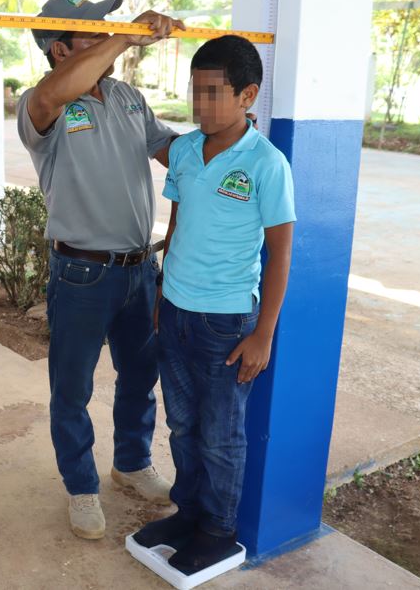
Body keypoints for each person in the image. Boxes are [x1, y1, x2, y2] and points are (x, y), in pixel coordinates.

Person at [16, 0, 184, 539]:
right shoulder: (43, 105)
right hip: (81, 274)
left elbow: (172, 152)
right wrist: (130, 36)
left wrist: (227, 136)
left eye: (107, 27)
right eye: (93, 31)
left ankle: (131, 465)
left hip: (140, 270)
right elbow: (54, 91)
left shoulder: (128, 97)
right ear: (61, 47)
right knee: (72, 388)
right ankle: (81, 487)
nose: (108, 34)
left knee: (142, 377)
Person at [132, 36, 296, 573]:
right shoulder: (182, 151)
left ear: (247, 95)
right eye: (194, 92)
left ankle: (218, 531)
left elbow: (280, 253)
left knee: (222, 434)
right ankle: (189, 512)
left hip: (228, 323)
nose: (200, 106)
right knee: (182, 425)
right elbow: (177, 222)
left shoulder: (267, 165)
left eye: (212, 93)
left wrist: (263, 333)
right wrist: (161, 292)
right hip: (176, 310)